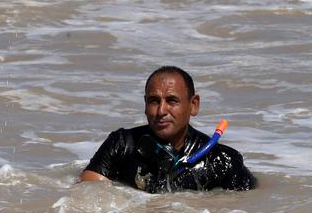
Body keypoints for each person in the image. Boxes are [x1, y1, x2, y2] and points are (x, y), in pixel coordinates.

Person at [79, 66, 257, 193]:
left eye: (172, 101)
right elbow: (86, 198)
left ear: (193, 105)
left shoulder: (222, 161)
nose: (161, 110)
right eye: (154, 101)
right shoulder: (121, 145)